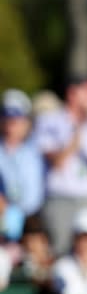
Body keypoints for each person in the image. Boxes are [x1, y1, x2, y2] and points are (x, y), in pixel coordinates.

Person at [34, 76, 87, 255]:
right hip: (62, 198)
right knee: (61, 251)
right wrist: (79, 127)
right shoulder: (51, 121)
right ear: (72, 93)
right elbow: (57, 162)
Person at [0, 89, 45, 230]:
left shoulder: (37, 148)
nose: (11, 126)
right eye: (7, 119)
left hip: (33, 218)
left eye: (17, 120)